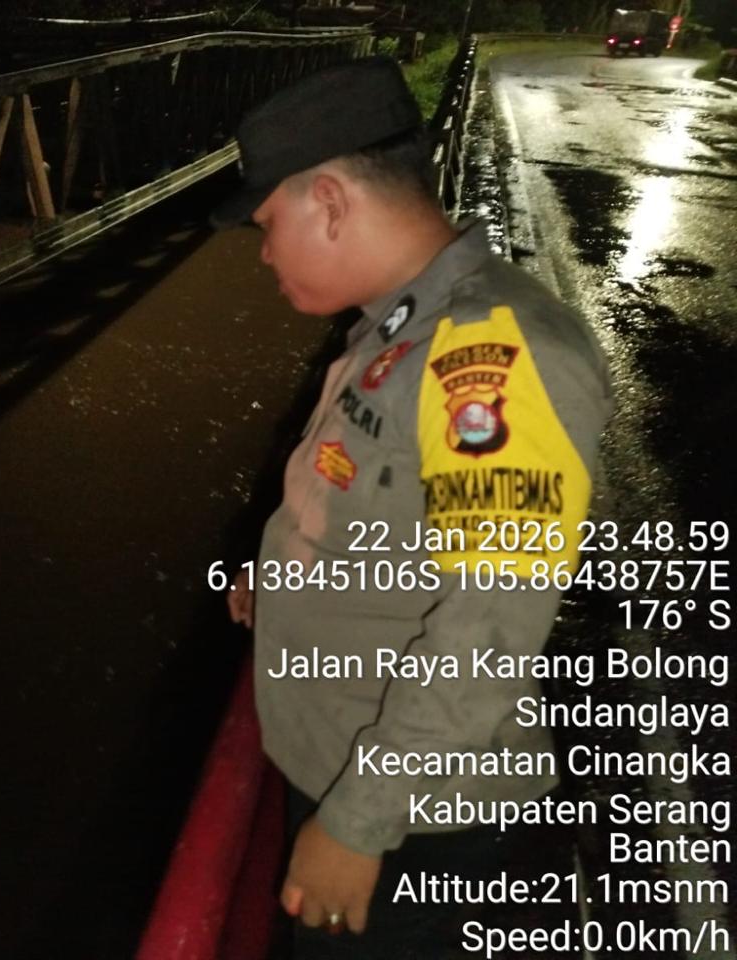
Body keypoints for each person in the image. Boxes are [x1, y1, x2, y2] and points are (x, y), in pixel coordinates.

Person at [213, 57, 613, 956]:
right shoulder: (401, 325)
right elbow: (380, 509)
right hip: (356, 774)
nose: (265, 252)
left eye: (267, 224)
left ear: (329, 201)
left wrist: (359, 823)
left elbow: (492, 622)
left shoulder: (493, 353)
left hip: (414, 827)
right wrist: (285, 582)